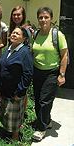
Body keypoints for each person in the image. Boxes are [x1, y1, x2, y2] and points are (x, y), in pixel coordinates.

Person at [31, 7, 68, 141]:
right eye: (41, 17)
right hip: (37, 71)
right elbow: (33, 51)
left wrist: (62, 74)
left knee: (44, 100)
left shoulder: (57, 35)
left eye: (46, 17)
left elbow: (64, 56)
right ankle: (47, 120)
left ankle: (41, 129)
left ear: (51, 19)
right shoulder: (35, 34)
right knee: (37, 99)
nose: (43, 20)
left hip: (52, 72)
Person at [0, 26, 33, 141]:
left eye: (18, 34)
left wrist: (21, 91)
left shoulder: (24, 52)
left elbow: (27, 74)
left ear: (23, 39)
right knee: (7, 113)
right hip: (6, 89)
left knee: (15, 115)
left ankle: (15, 137)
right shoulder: (9, 49)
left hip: (16, 90)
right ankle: (7, 132)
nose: (14, 35)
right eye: (13, 33)